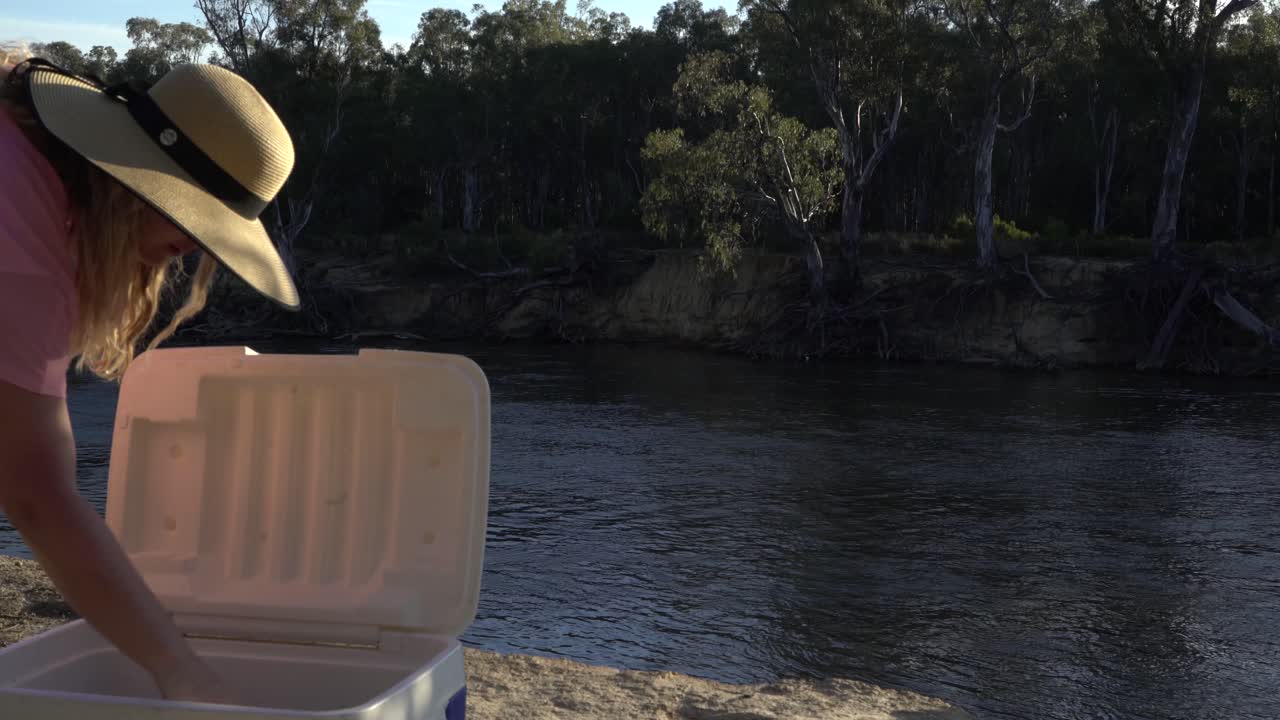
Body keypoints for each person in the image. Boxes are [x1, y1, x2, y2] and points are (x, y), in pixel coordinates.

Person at [0, 47, 301, 705]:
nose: (193, 245)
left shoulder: (20, 154)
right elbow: (35, 494)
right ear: (132, 178)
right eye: (191, 213)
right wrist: (179, 670)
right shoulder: (20, 245)